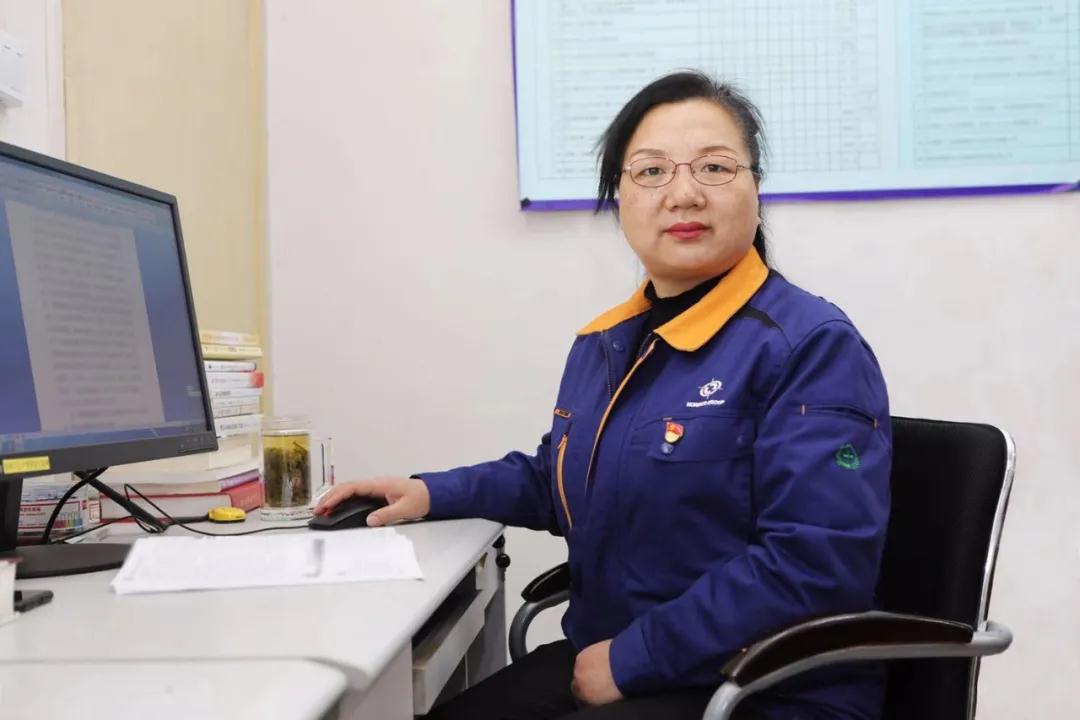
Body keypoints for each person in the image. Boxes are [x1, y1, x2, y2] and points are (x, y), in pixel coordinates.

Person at [315, 71, 891, 720]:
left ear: (756, 189)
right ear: (619, 198)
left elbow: (814, 565)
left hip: (761, 688)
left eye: (714, 167)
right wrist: (429, 493)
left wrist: (633, 658)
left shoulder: (810, 345)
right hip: (618, 658)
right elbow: (562, 478)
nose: (683, 193)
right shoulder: (608, 341)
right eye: (651, 172)